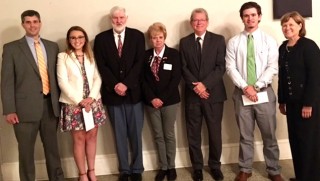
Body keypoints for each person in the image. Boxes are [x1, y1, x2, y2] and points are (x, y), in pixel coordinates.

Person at [1, 10, 64, 181]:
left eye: (35, 21)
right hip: (23, 110)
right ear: (23, 25)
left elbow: (58, 78)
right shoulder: (11, 48)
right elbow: (6, 82)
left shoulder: (52, 46)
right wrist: (9, 110)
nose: (32, 25)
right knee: (26, 152)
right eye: (28, 22)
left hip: (50, 108)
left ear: (40, 23)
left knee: (53, 150)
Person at [225, 2, 283, 181]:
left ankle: (273, 170)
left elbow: (272, 66)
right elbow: (230, 67)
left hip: (264, 93)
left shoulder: (269, 40)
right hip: (241, 93)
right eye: (246, 15)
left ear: (259, 16)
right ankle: (245, 169)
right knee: (245, 134)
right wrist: (245, 87)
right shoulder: (234, 42)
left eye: (253, 15)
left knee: (269, 135)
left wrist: (256, 87)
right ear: (242, 18)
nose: (249, 18)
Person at [93, 6, 145, 181]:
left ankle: (137, 168)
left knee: (136, 133)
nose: (118, 21)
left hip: (134, 94)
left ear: (126, 18)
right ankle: (124, 169)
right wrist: (116, 84)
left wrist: (126, 84)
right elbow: (102, 66)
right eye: (115, 18)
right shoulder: (101, 39)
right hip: (112, 94)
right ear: (110, 19)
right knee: (119, 133)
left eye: (121, 17)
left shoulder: (137, 36)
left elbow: (140, 63)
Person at [179, 8, 227, 181]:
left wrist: (204, 85)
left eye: (202, 20)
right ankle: (197, 167)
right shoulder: (184, 42)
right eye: (195, 20)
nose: (198, 23)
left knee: (215, 133)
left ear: (207, 21)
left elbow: (221, 67)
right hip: (192, 96)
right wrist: (197, 88)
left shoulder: (218, 40)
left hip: (214, 95)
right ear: (191, 23)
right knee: (193, 133)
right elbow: (183, 68)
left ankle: (215, 165)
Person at [57, 26, 107, 181]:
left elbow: (97, 78)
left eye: (80, 37)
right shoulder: (63, 57)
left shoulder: (90, 55)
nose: (77, 40)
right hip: (74, 104)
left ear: (85, 39)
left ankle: (92, 170)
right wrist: (80, 101)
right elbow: (62, 82)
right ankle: (82, 174)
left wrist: (91, 98)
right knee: (79, 139)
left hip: (93, 103)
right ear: (68, 40)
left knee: (92, 137)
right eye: (73, 37)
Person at [278, 11, 320, 181]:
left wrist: (308, 104)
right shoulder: (283, 47)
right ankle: (301, 176)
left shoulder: (309, 46)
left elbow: (315, 77)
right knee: (295, 140)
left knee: (308, 142)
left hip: (307, 103)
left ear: (300, 26)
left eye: (291, 25)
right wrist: (282, 101)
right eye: (284, 25)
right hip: (291, 103)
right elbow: (282, 76)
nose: (287, 28)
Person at [142, 22, 181, 181]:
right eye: (153, 38)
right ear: (150, 39)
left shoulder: (174, 54)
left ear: (164, 37)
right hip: (151, 102)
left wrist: (162, 99)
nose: (157, 40)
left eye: (160, 37)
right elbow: (142, 80)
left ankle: (171, 167)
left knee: (169, 134)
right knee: (158, 135)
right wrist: (152, 98)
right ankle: (163, 167)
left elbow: (175, 79)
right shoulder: (145, 56)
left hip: (170, 101)